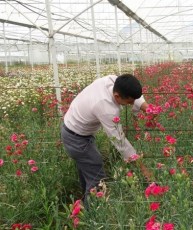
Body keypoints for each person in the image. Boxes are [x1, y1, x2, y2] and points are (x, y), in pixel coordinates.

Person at [61, 73, 151, 203]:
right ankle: (94, 217)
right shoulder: (105, 107)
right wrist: (143, 169)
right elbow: (120, 142)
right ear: (117, 96)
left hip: (74, 130)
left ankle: (84, 207)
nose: (131, 104)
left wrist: (146, 108)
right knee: (97, 179)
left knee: (88, 174)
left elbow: (132, 93)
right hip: (76, 139)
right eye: (129, 102)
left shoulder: (113, 81)